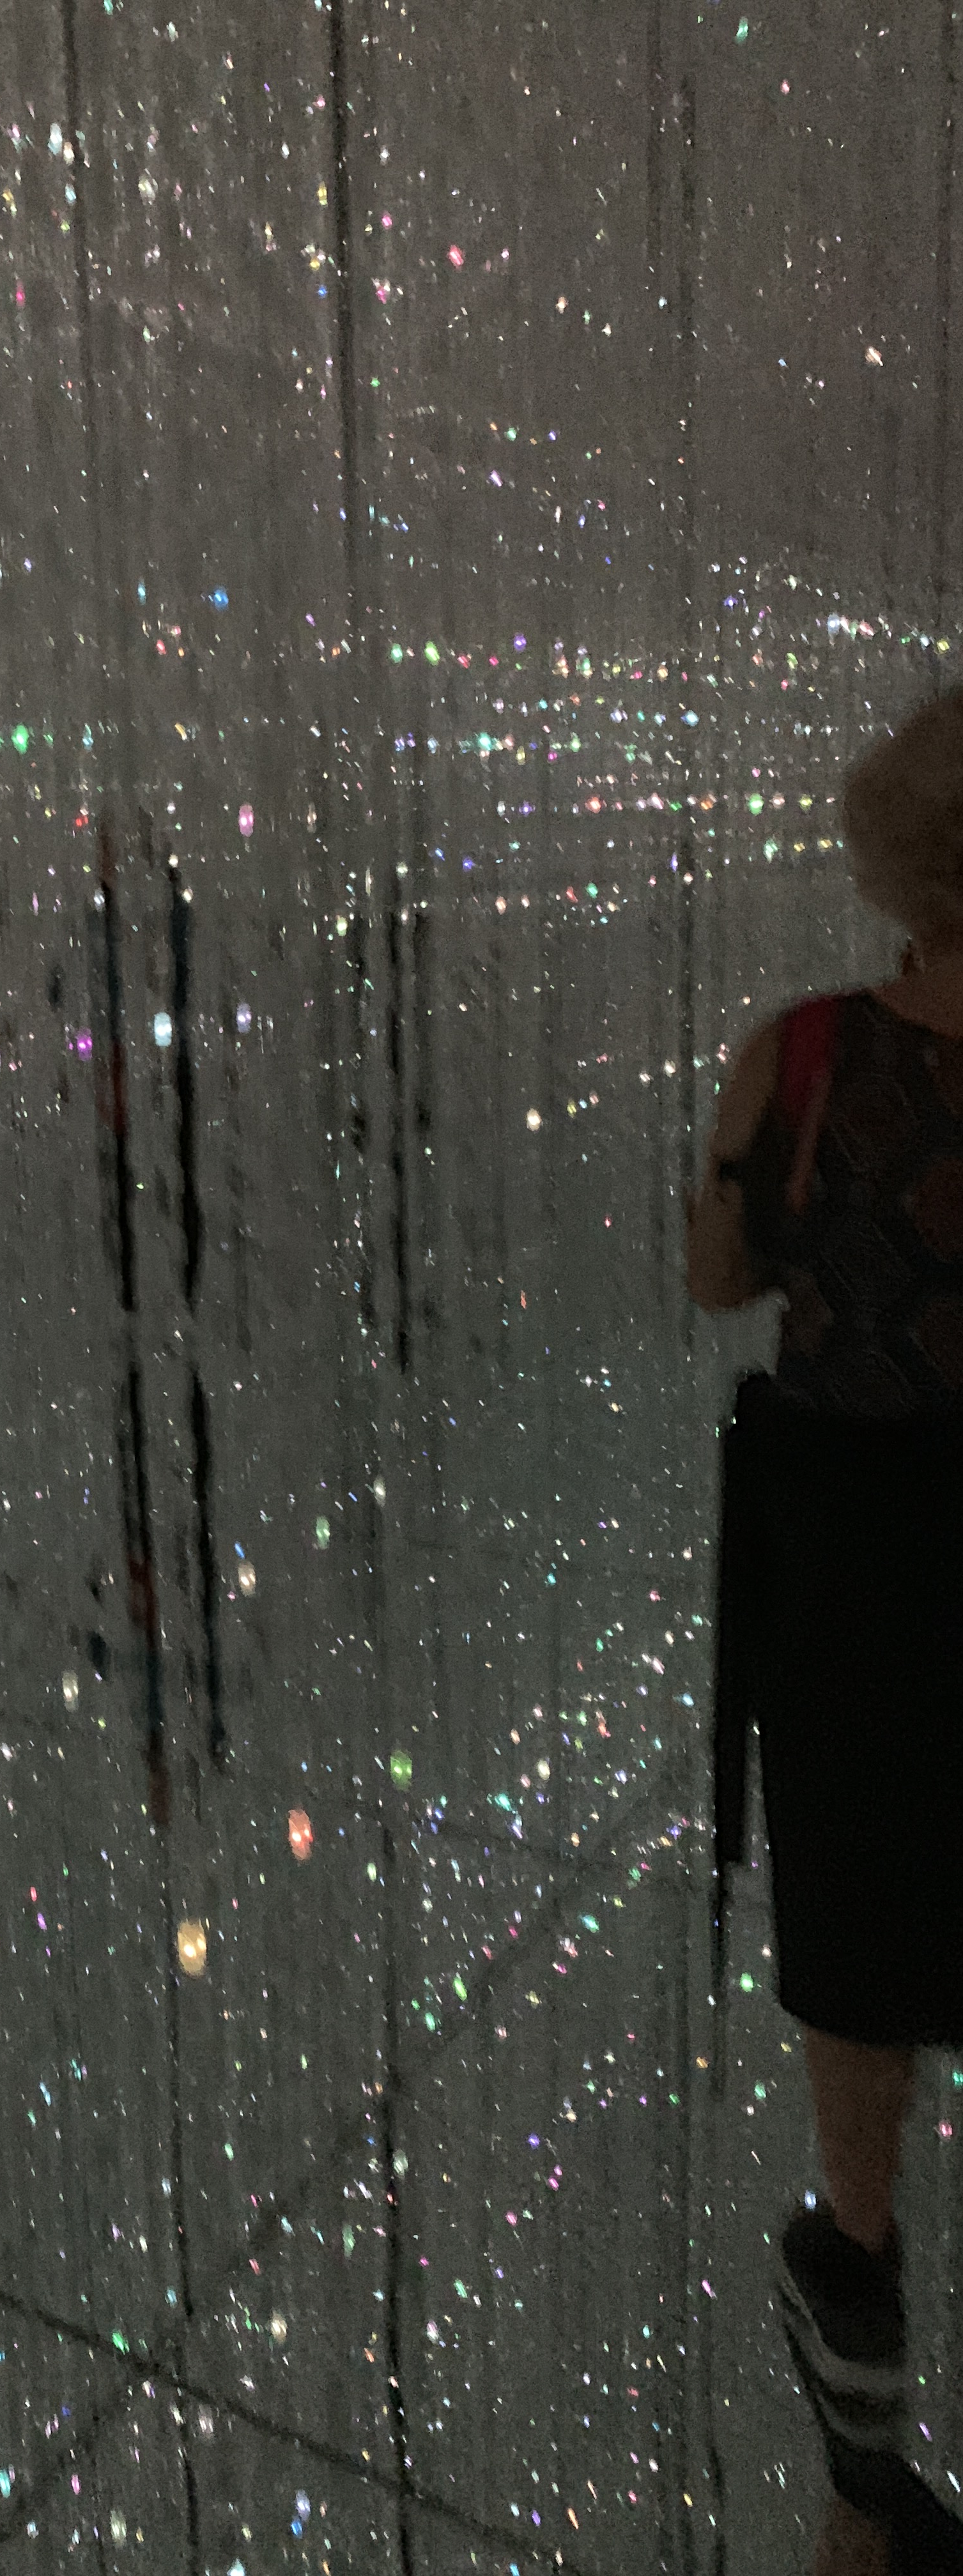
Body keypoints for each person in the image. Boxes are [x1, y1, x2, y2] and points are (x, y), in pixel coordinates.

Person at [688, 687, 963, 2556]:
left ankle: (863, 2500)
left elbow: (717, 1279)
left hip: (850, 1582)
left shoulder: (799, 1054)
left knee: (859, 2028)